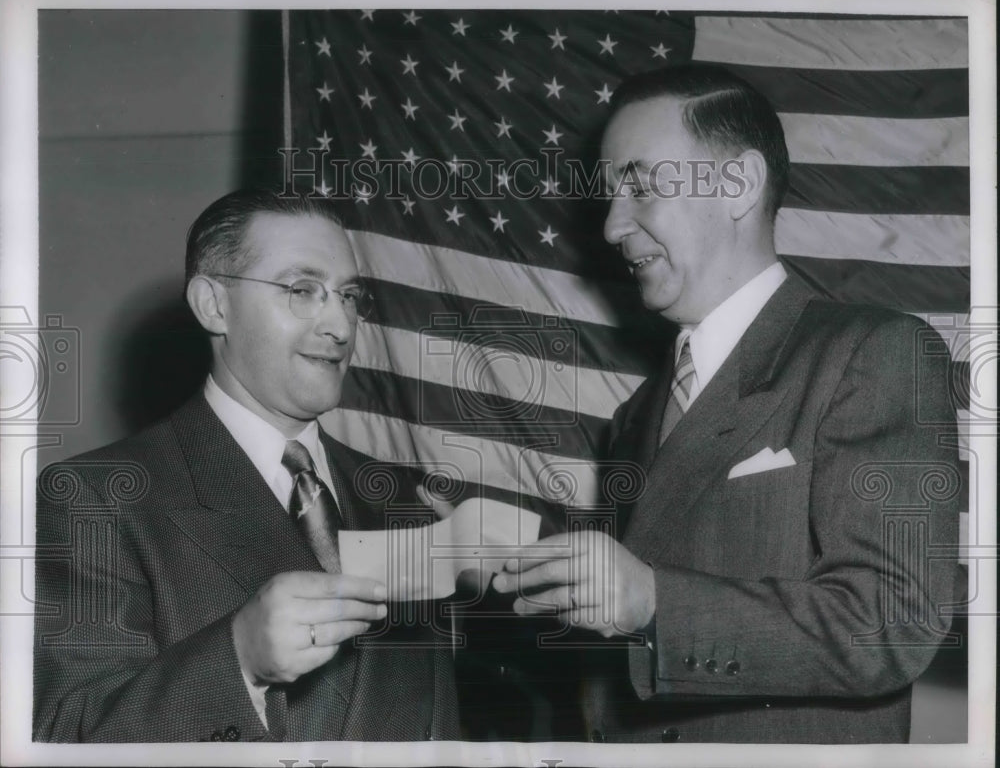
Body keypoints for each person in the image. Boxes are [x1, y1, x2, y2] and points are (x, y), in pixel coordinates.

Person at [491, 65, 961, 743]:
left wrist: (654, 601)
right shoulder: (637, 415)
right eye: (610, 194)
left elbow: (889, 620)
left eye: (641, 186)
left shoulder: (876, 353)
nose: (614, 225)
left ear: (737, 185)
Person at [33, 189, 459, 742]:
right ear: (214, 304)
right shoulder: (97, 498)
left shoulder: (409, 503)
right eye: (302, 290)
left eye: (349, 296)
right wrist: (237, 660)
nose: (341, 326)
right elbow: (65, 736)